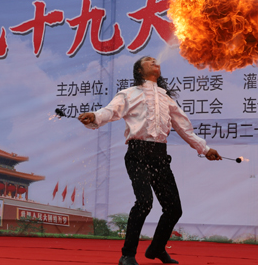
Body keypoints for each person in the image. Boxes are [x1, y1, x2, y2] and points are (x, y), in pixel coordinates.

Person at [78, 56, 220, 265]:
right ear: (139, 70)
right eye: (147, 60)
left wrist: (205, 149)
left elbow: (184, 128)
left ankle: (156, 248)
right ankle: (127, 255)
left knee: (174, 208)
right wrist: (95, 116)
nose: (154, 60)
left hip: (160, 156)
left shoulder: (166, 99)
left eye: (154, 60)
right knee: (144, 202)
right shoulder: (128, 93)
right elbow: (111, 110)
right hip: (138, 154)